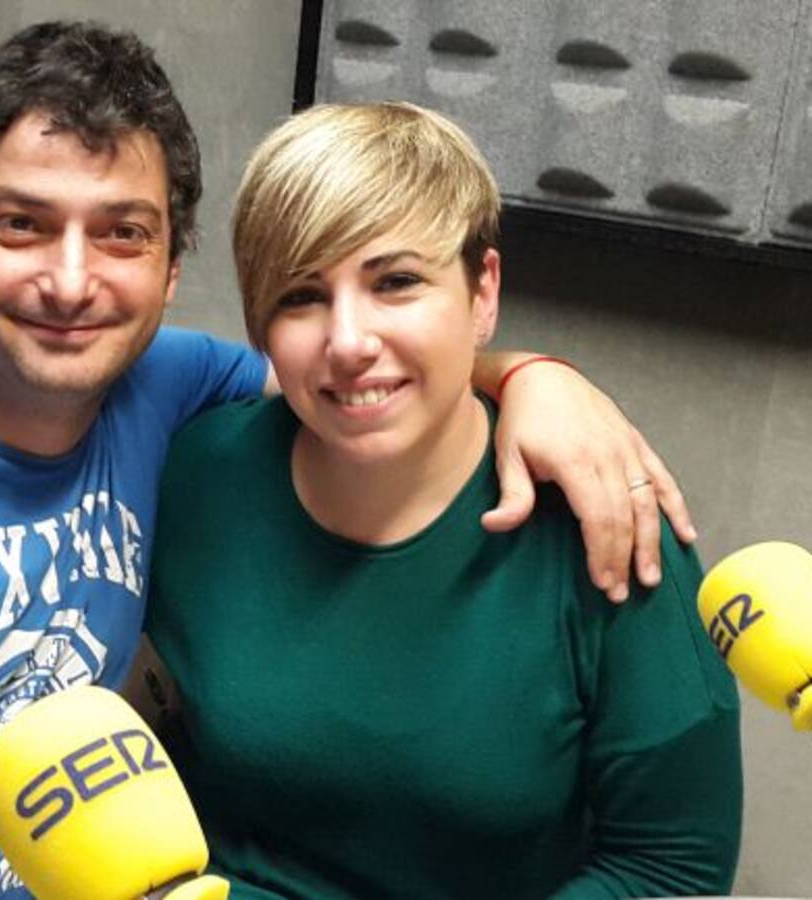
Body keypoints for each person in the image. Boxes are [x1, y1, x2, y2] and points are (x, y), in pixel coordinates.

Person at [0, 21, 693, 897]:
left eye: (122, 233)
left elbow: (348, 373)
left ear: (173, 269)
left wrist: (533, 375)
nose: (72, 281)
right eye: (21, 225)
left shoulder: (167, 387)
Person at [145, 102, 742, 899]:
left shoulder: (600, 519)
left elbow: (670, 869)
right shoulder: (198, 474)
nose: (349, 342)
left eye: (396, 282)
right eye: (300, 295)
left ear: (482, 290)